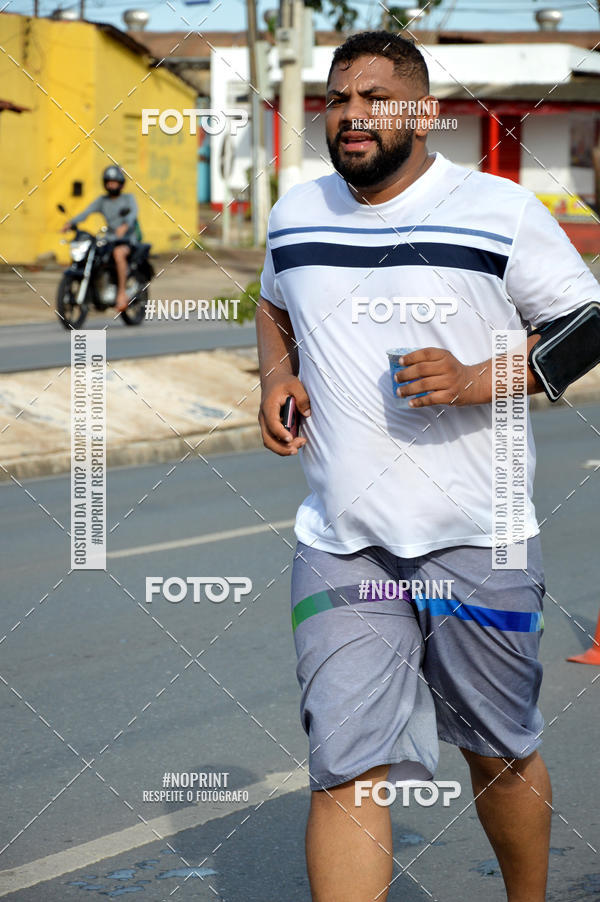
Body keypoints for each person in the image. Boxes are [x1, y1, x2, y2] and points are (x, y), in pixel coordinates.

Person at [256, 30, 599, 902]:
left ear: (424, 112)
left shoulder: (498, 210)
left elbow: (587, 324)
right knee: (346, 764)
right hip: (342, 543)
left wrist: (481, 378)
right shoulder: (296, 214)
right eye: (339, 99)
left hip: (479, 541)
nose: (352, 116)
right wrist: (275, 375)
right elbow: (272, 302)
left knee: (498, 749)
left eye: (376, 98)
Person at [62, 165, 139, 312]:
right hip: (109, 239)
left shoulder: (128, 199)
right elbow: (86, 212)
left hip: (127, 239)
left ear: (121, 183)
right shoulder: (102, 201)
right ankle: (97, 290)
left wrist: (125, 226)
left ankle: (122, 293)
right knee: (93, 255)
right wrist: (71, 223)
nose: (111, 185)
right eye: (108, 182)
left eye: (114, 182)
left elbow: (132, 214)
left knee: (118, 253)